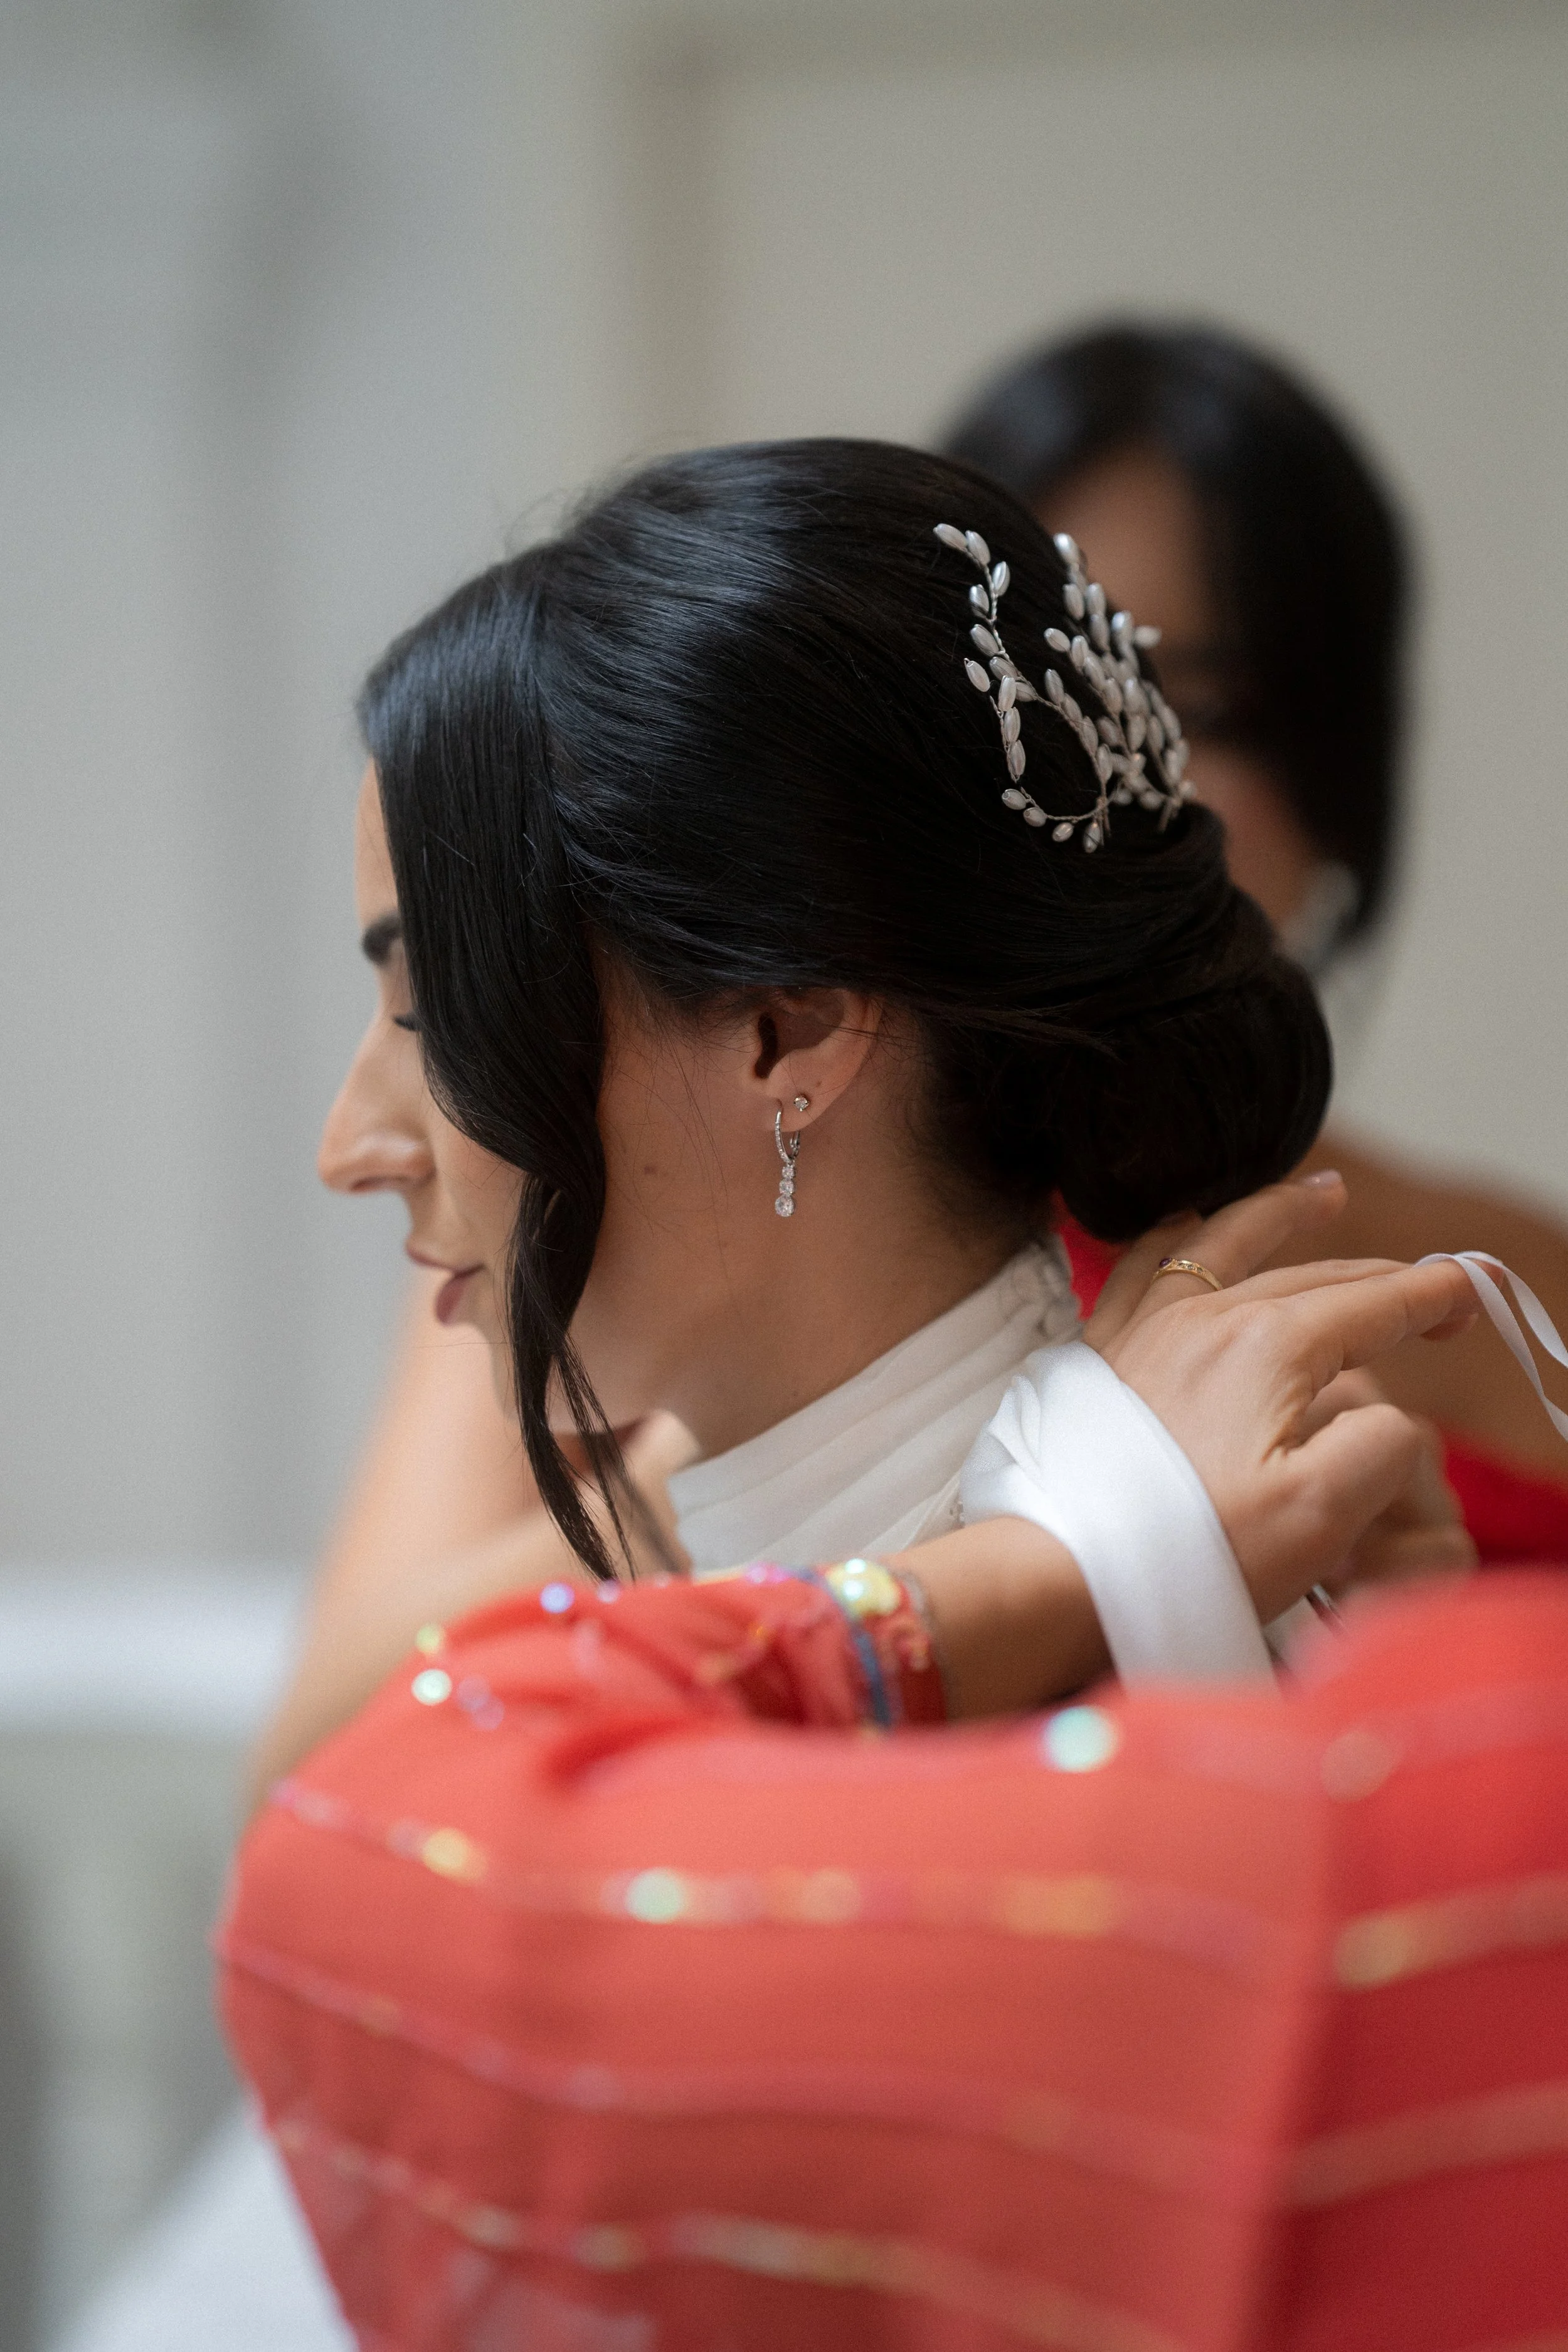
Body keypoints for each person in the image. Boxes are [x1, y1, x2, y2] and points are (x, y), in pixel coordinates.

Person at [215, 435, 1521, 2346]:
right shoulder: (1006, 1532)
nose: (353, 1138)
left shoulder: (1196, 1636)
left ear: (786, 1028)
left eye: (430, 1007)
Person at [941, 322, 1568, 1547]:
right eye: (1059, 700)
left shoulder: (1509, 1277)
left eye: (1213, 709)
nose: (1132, 776)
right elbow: (455, 1661)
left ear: (1342, 785)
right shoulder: (683, 1225)